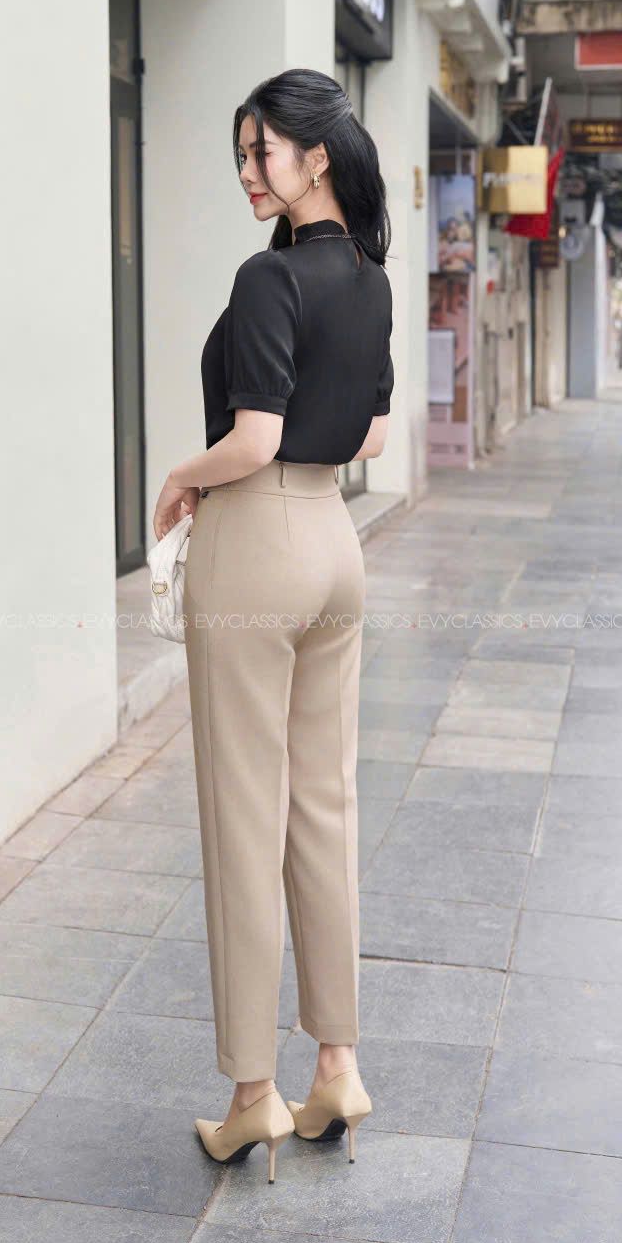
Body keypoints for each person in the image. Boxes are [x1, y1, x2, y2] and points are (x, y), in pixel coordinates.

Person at [152, 67, 394, 1184]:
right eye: (241, 154)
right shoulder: (370, 279)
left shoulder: (269, 276)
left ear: (316, 157)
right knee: (323, 807)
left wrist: (179, 477)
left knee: (244, 815)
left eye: (262, 152)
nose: (248, 172)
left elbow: (251, 441)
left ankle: (253, 1095)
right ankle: (336, 1066)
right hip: (336, 546)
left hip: (256, 539)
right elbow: (373, 436)